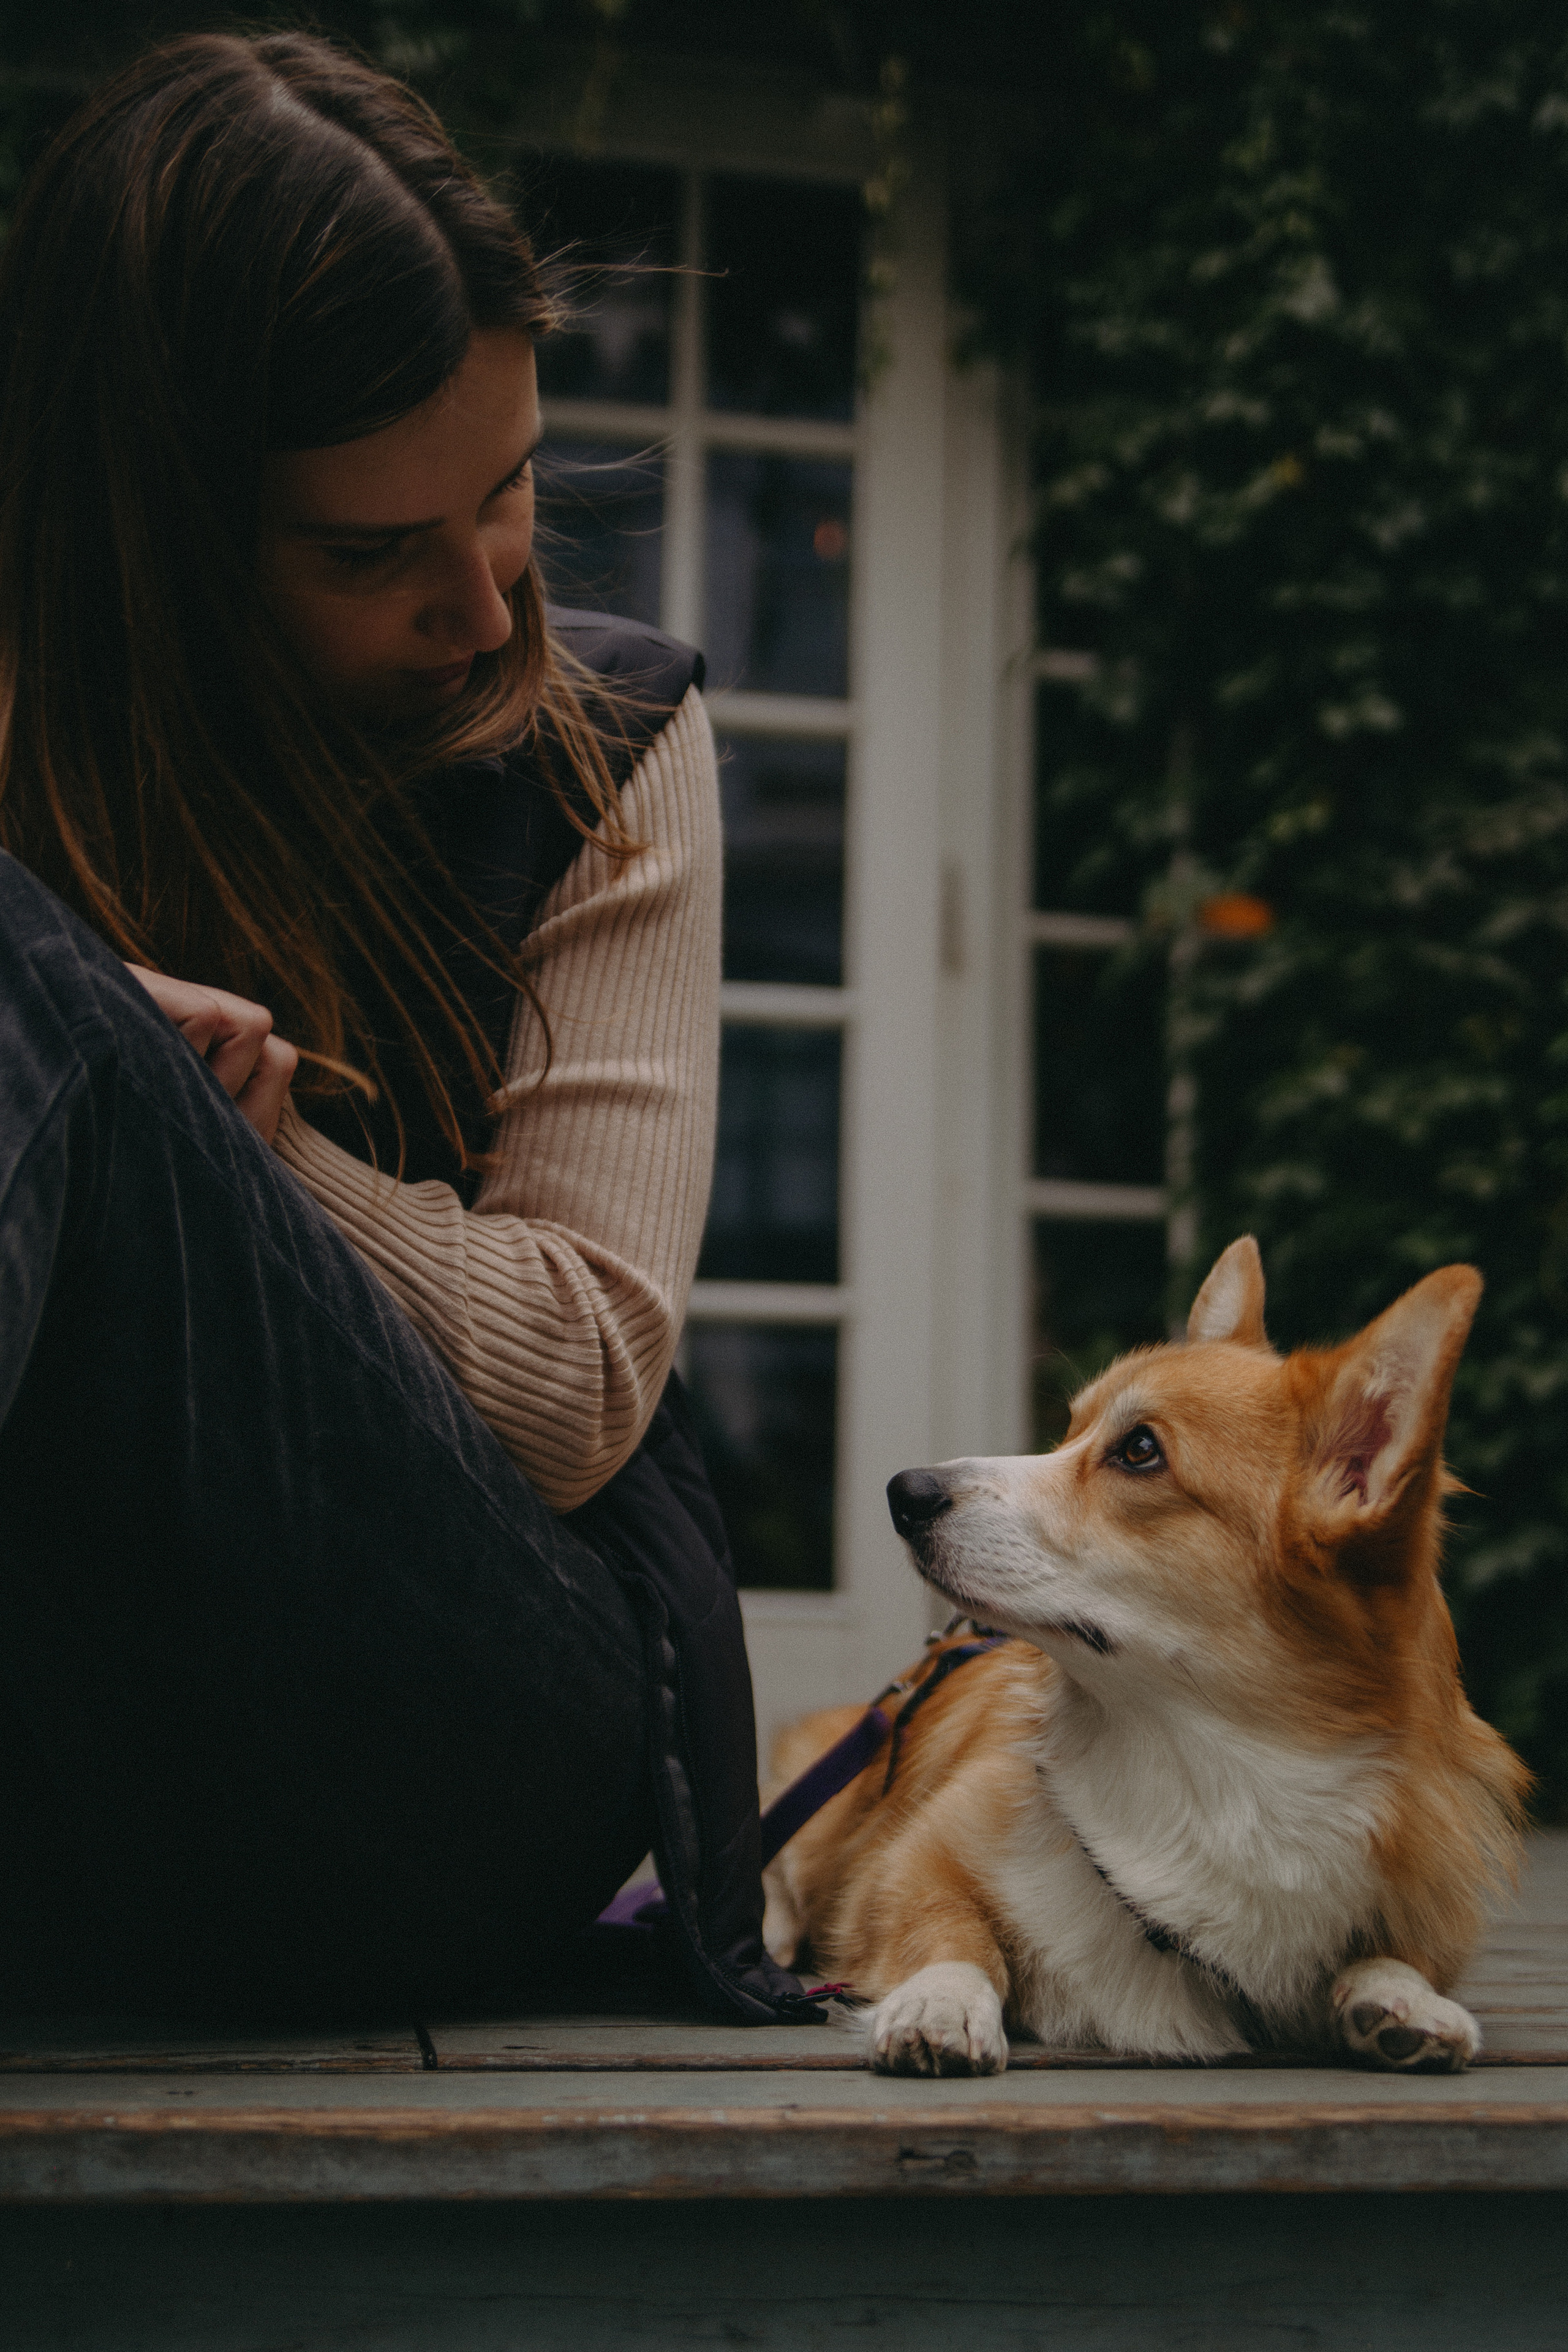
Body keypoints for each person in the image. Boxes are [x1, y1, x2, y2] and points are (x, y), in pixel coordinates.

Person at [0, 29, 812, 2024]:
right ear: (158, 534)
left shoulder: (612, 743)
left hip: (458, 1727)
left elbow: (579, 1381)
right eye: (372, 552)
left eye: (510, 492)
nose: (485, 602)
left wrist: (246, 1146)